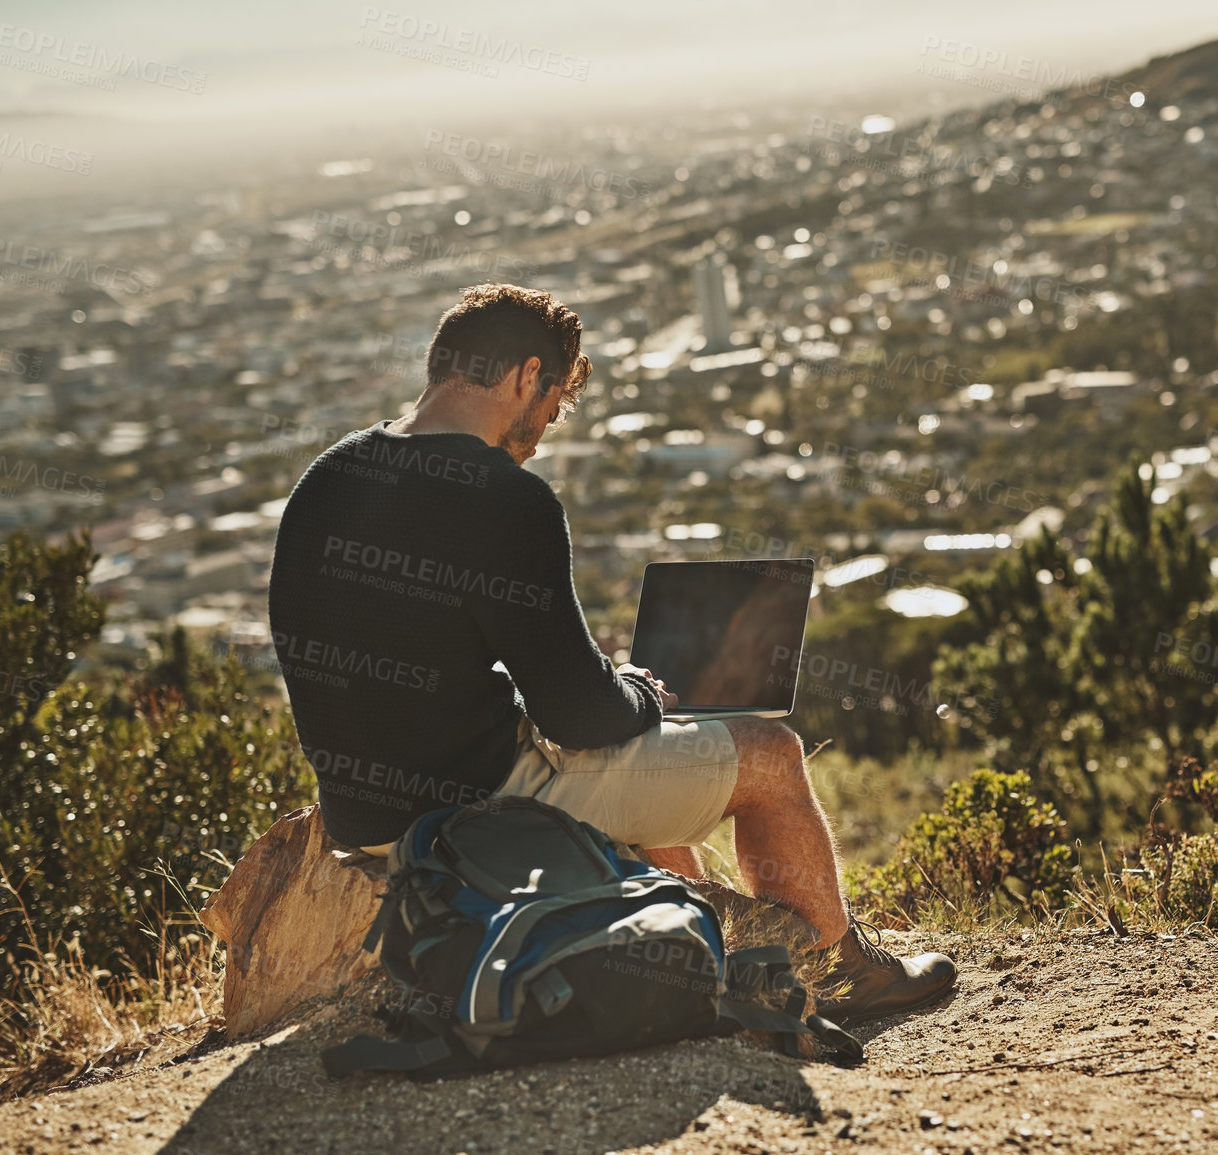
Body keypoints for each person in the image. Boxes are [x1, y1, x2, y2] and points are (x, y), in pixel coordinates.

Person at [267, 283, 955, 1023]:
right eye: (555, 405)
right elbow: (579, 717)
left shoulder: (332, 475)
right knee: (771, 756)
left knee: (642, 767)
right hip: (469, 804)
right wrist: (637, 693)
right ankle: (839, 972)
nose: (544, 431)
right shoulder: (508, 498)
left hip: (362, 809)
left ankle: (694, 951)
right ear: (527, 376)